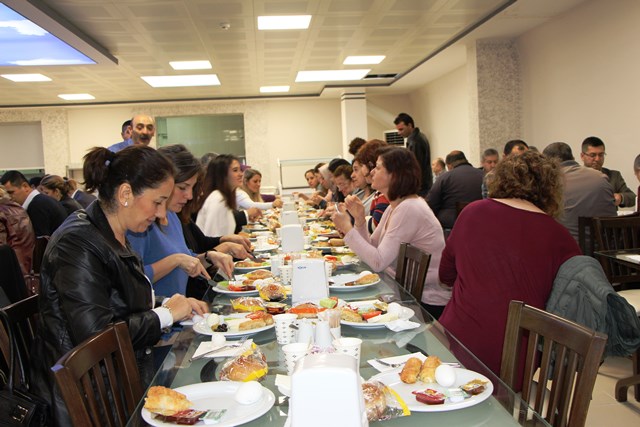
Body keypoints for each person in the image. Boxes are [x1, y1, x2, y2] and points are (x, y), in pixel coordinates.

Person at [30, 145, 209, 425]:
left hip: (120, 376)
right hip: (90, 396)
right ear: (126, 194)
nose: (162, 214)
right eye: (157, 202)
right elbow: (96, 336)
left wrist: (171, 304)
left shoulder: (114, 232)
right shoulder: (77, 243)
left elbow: (120, 300)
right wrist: (165, 314)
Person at [438, 151, 581, 378]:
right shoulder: (560, 236)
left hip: (455, 342)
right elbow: (565, 300)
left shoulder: (472, 212)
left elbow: (445, 275)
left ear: (501, 178)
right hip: (518, 355)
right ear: (550, 189)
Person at [332, 146, 449, 319]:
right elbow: (372, 249)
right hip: (402, 293)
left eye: (378, 167)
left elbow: (378, 261)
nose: (371, 172)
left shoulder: (409, 208)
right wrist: (359, 221)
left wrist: (348, 229)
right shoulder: (396, 206)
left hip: (425, 304)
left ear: (393, 175)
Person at [128, 144, 238, 297]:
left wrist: (209, 257)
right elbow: (131, 280)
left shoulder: (172, 215)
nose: (190, 196)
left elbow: (186, 259)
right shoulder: (140, 223)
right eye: (182, 188)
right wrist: (174, 260)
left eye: (192, 188)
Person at [542, 142, 616, 242]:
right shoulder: (600, 176)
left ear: (548, 164)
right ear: (572, 157)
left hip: (572, 249)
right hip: (607, 247)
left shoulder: (553, 182)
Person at [197, 154, 260, 236]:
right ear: (222, 175)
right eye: (235, 170)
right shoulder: (218, 199)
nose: (241, 174)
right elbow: (212, 238)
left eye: (240, 170)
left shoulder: (223, 197)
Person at [426, 151, 483, 230]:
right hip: (480, 223)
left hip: (451, 227)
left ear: (449, 166)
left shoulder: (444, 178)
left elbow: (431, 203)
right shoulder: (483, 175)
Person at [0, 170, 67, 237]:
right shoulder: (40, 201)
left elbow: (41, 241)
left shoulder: (38, 205)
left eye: (11, 192)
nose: (9, 197)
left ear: (25, 186)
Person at [580, 136, 636, 208]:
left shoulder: (614, 176)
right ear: (582, 156)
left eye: (601, 155)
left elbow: (633, 197)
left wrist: (620, 197)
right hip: (583, 217)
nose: (597, 159)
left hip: (608, 218)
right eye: (592, 155)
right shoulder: (575, 177)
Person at [354, 139, 389, 232]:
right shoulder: (379, 193)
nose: (363, 171)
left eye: (362, 166)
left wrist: (355, 218)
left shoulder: (386, 194)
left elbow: (373, 228)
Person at [394, 113, 432, 197]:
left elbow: (416, 167)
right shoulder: (420, 136)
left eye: (401, 129)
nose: (399, 133)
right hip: (423, 186)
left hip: (420, 188)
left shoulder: (415, 142)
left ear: (410, 125)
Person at [0, 185, 35, 275]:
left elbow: (2, 249)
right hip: (27, 264)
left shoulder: (2, 212)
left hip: (12, 271)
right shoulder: (17, 207)